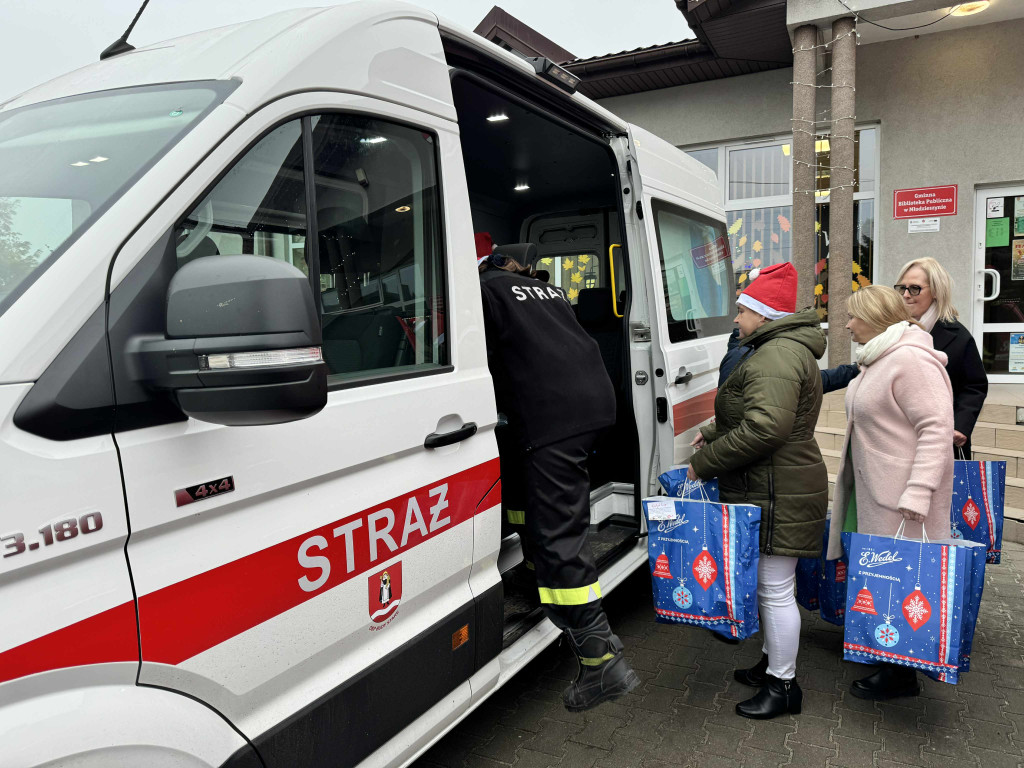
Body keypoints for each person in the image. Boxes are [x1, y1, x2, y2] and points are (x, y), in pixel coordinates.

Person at [476, 236, 639, 712]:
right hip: (592, 408)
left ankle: (600, 657)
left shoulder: (487, 290)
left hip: (554, 421)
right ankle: (531, 574)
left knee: (558, 529)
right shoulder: (548, 292)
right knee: (531, 501)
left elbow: (472, 355)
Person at [688, 262, 828, 720]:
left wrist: (703, 463)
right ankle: (772, 663)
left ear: (764, 315)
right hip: (775, 483)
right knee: (773, 586)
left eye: (743, 309)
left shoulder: (775, 355)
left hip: (775, 486)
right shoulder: (780, 350)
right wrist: (712, 430)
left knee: (774, 589)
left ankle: (784, 685)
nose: (736, 318)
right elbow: (756, 410)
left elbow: (765, 428)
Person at [826, 285, 954, 700]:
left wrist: (918, 492)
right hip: (876, 491)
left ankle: (902, 673)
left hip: (902, 500)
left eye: (852, 317)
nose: (846, 325)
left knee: (903, 580)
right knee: (887, 579)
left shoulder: (910, 360)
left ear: (876, 318)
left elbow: (935, 429)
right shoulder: (878, 358)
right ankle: (888, 656)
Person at [894, 257, 987, 455]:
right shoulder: (894, 331)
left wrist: (961, 426)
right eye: (902, 288)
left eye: (915, 288)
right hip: (899, 437)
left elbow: (974, 386)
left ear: (935, 292)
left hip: (940, 440)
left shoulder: (958, 336)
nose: (906, 295)